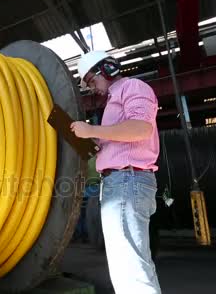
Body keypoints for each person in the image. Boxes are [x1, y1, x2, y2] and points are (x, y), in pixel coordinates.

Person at [70, 51, 161, 294]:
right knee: (131, 266)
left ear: (107, 69)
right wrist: (97, 142)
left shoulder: (132, 86)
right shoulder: (113, 102)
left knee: (129, 269)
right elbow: (123, 135)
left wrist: (91, 131)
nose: (92, 88)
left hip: (127, 180)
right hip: (119, 182)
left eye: (91, 81)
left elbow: (141, 128)